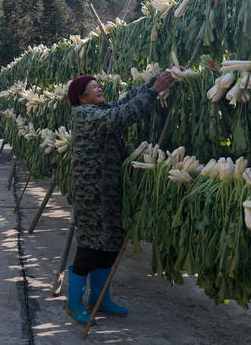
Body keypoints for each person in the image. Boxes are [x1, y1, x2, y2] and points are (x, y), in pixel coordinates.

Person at [65, 71, 174, 325]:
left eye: (98, 84)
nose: (99, 88)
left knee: (110, 244)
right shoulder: (84, 116)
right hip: (92, 193)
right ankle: (73, 303)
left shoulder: (98, 110)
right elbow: (122, 116)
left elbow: (125, 102)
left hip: (109, 190)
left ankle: (99, 298)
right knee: (90, 247)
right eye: (93, 87)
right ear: (82, 98)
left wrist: (154, 83)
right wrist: (154, 92)